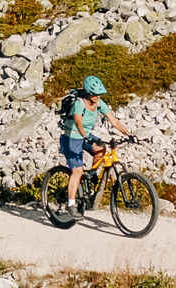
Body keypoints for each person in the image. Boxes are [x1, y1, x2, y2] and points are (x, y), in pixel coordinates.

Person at [55, 74, 130, 225]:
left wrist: (129, 134)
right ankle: (71, 204)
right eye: (95, 94)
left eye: (99, 94)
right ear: (88, 93)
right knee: (77, 171)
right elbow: (78, 122)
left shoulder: (99, 103)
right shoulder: (79, 104)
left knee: (101, 149)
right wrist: (85, 136)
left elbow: (114, 121)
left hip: (85, 135)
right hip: (72, 137)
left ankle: (92, 175)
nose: (97, 97)